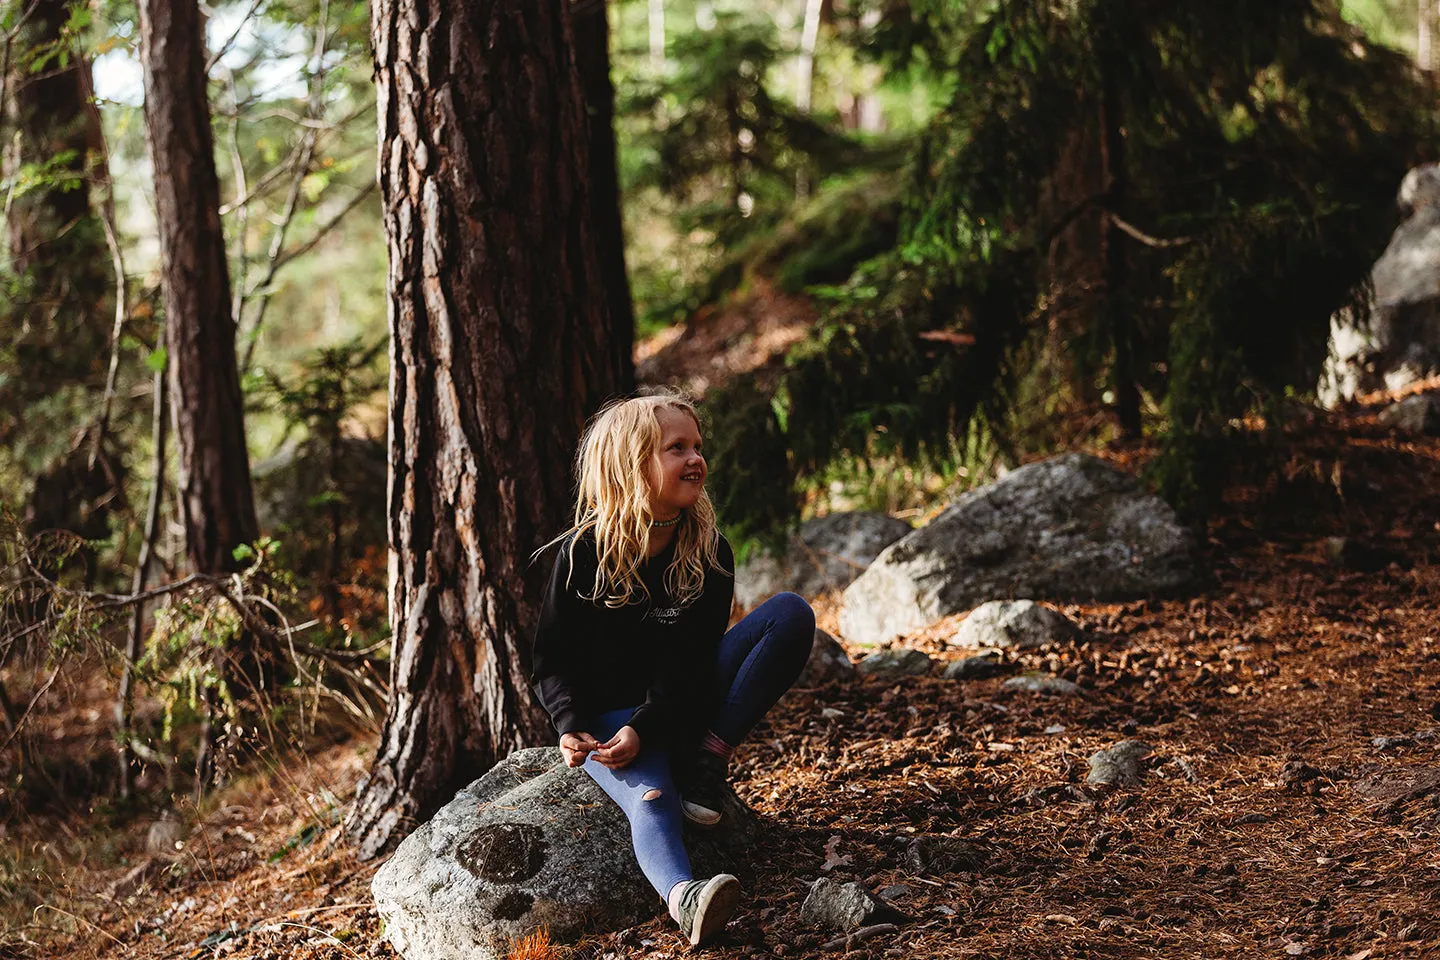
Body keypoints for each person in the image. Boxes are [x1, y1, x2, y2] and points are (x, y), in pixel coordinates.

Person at [529, 391, 815, 947]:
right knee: (652, 798)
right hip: (608, 721)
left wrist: (653, 725)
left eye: (698, 447)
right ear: (631, 464)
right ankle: (686, 897)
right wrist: (571, 725)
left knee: (789, 615)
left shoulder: (708, 550)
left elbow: (692, 662)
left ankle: (707, 757)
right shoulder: (585, 553)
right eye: (675, 448)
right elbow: (551, 660)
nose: (695, 459)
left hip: (680, 702)